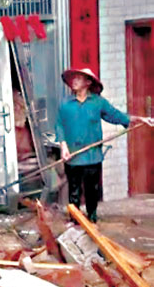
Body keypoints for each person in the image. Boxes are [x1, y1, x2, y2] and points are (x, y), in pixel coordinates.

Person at [55, 66, 149, 222]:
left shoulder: (98, 102)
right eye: (73, 78)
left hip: (92, 155)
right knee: (74, 191)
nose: (74, 81)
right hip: (72, 154)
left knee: (92, 190)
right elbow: (59, 126)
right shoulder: (65, 104)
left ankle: (92, 219)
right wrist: (63, 147)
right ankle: (75, 221)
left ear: (88, 82)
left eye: (78, 78)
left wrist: (140, 119)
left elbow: (116, 116)